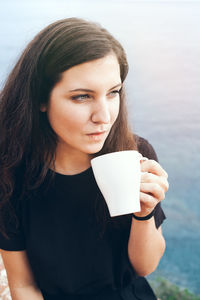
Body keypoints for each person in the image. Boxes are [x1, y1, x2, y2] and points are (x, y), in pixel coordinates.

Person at [0, 18, 169, 300]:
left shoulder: (134, 154)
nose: (104, 117)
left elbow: (143, 267)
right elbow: (24, 286)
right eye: (82, 97)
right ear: (41, 98)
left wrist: (145, 213)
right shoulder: (10, 173)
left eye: (113, 92)